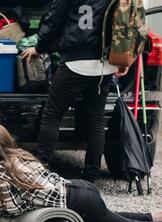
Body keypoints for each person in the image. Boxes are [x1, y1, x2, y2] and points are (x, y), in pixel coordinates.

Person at [0, 122, 162, 222]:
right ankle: (153, 215)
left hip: (79, 202)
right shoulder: (19, 156)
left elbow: (16, 209)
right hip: (77, 188)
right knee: (109, 218)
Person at [22, 0, 130, 183]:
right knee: (96, 120)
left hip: (74, 62)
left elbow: (53, 22)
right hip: (104, 65)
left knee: (52, 115)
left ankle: (42, 172)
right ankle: (90, 176)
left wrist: (39, 48)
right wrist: (122, 58)